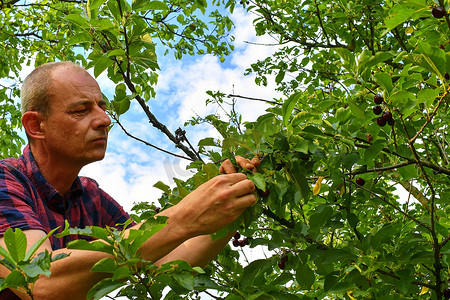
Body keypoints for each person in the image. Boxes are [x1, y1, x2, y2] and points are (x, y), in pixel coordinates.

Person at [0, 61, 259, 299]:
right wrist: (184, 217)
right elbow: (37, 281)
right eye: (81, 110)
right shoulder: (6, 179)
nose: (105, 120)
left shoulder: (92, 197)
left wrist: (231, 205)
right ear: (36, 126)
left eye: (101, 107)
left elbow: (163, 260)